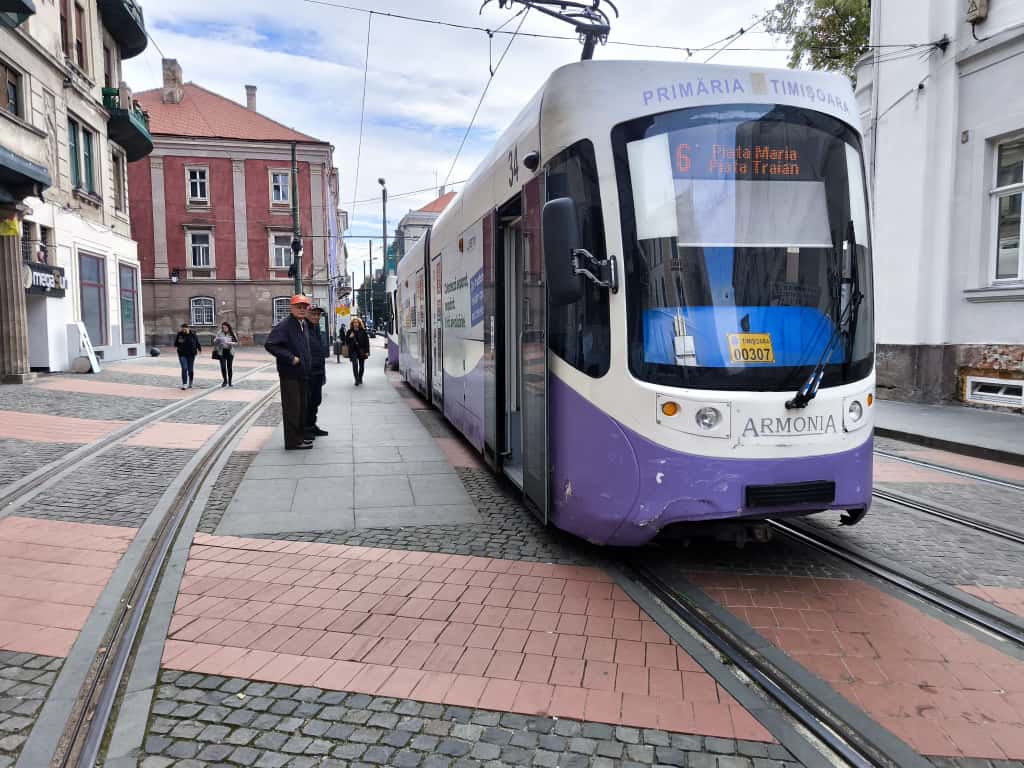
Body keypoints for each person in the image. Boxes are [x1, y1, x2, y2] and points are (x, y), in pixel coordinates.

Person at [265, 295, 314, 450]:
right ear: (291, 308)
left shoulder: (303, 324)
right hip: (290, 374)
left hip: (302, 373)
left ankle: (299, 438)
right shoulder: (285, 325)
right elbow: (271, 344)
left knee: (301, 408)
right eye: (298, 306)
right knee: (293, 408)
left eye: (304, 307)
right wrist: (291, 358)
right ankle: (292, 441)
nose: (301, 309)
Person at [304, 306, 329, 439]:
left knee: (316, 400)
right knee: (309, 401)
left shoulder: (315, 327)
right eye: (313, 314)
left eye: (318, 315)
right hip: (309, 372)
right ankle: (306, 428)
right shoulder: (304, 328)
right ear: (307, 314)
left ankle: (312, 425)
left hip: (318, 370)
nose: (316, 317)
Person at [173, 323, 201, 390]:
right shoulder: (180, 334)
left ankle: (190, 382)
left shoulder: (193, 334)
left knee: (190, 369)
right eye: (183, 329)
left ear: (188, 328)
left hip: (191, 354)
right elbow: (175, 344)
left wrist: (199, 349)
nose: (184, 331)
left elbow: (197, 342)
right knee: (184, 368)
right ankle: (184, 384)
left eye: (185, 329)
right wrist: (179, 342)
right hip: (182, 354)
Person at [346, 317, 370, 385]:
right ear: (352, 324)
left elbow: (367, 342)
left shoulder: (363, 331)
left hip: (362, 350)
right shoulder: (349, 331)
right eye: (354, 323)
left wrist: (367, 351)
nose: (355, 324)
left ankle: (360, 378)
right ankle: (356, 379)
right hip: (353, 351)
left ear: (359, 323)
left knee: (361, 366)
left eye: (357, 322)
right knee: (355, 365)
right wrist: (349, 337)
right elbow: (346, 342)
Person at [213, 322, 239, 387]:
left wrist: (230, 343)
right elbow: (215, 341)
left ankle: (230, 381)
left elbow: (236, 342)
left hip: (230, 352)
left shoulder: (232, 333)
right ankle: (225, 381)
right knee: (223, 367)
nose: (224, 329)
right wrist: (217, 340)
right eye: (223, 327)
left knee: (229, 367)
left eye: (225, 327)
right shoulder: (219, 333)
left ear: (228, 327)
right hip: (221, 351)